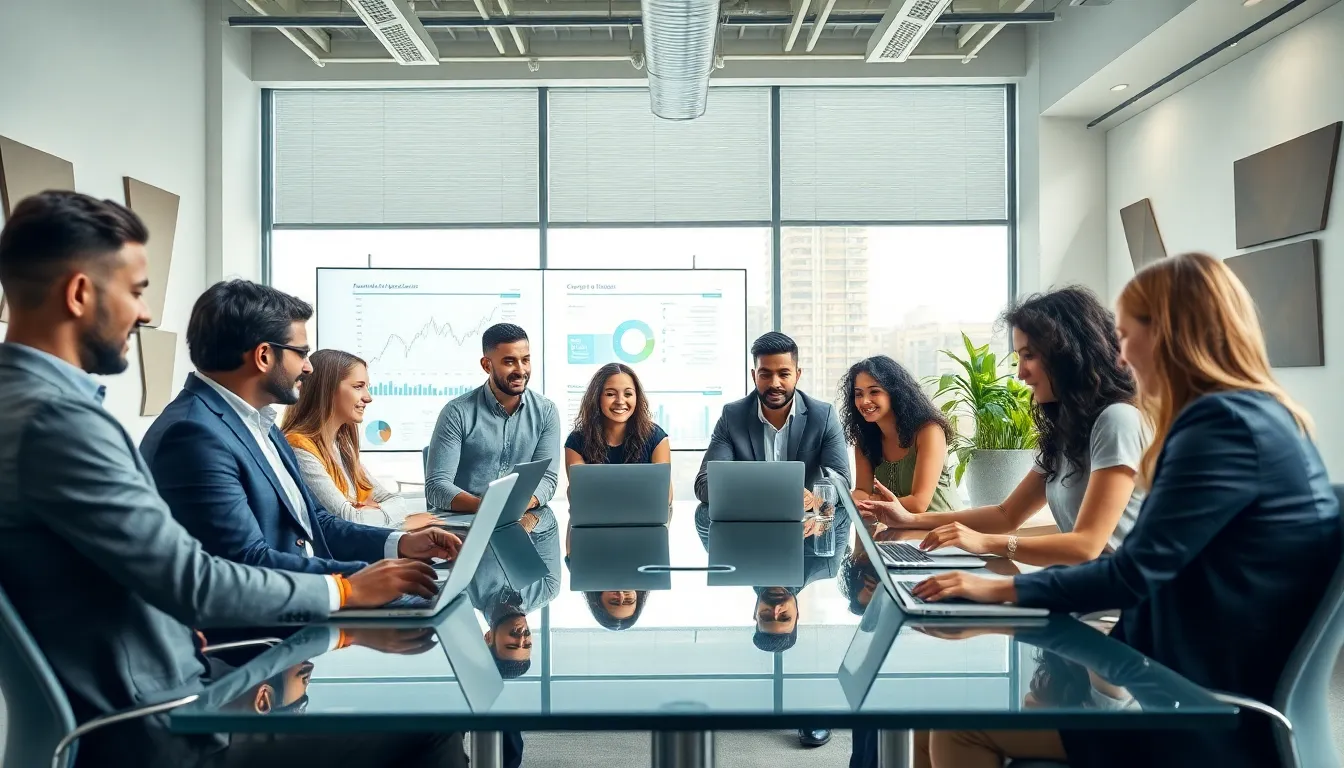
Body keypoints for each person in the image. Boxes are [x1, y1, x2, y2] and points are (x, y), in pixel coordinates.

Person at [0, 191, 461, 767]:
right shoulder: (59, 421)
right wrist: (346, 590)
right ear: (79, 293)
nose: (145, 314)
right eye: (137, 292)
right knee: (433, 728)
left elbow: (127, 570)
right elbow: (194, 578)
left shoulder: (27, 404)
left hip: (167, 676)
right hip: (160, 722)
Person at [912, 253, 1342, 768]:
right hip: (1186, 675)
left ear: (1167, 334)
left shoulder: (1220, 426)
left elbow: (1130, 571)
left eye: (1126, 336)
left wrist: (997, 587)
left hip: (1196, 706)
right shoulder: (1252, 415)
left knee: (958, 728)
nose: (1120, 356)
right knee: (933, 713)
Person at [141, 280, 461, 581]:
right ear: (264, 356)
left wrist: (400, 545)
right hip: (266, 629)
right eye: (302, 353)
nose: (308, 367)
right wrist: (352, 585)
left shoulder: (261, 426)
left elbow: (317, 522)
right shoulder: (193, 434)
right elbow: (245, 562)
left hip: (306, 596)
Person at [860, 287, 1148, 568]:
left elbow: (1086, 546)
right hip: (1083, 594)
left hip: (1118, 609)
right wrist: (909, 519)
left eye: (1029, 355)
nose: (1020, 372)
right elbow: (1006, 514)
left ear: (1068, 353)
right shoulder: (1065, 433)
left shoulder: (1116, 420)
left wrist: (986, 543)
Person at [425, 322, 560, 538]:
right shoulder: (456, 412)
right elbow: (437, 486)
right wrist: (489, 508)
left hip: (522, 524)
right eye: (509, 361)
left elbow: (548, 479)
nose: (521, 370)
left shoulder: (546, 411)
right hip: (462, 529)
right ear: (487, 365)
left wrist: (524, 504)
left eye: (525, 360)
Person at [695, 331, 851, 508]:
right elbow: (703, 484)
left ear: (797, 375)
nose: (774, 383)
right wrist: (763, 492)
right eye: (765, 374)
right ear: (754, 376)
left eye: (784, 374)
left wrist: (815, 497)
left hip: (805, 525)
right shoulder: (732, 416)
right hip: (749, 524)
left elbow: (842, 480)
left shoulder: (823, 416)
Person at [281, 348, 423, 528]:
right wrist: (381, 514)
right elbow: (349, 520)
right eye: (358, 386)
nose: (368, 397)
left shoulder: (341, 448)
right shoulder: (298, 448)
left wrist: (375, 512)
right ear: (327, 390)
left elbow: (395, 500)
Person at [841, 355, 959, 514]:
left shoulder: (929, 432)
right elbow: (861, 491)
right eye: (859, 394)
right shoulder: (865, 437)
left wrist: (873, 501)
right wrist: (868, 499)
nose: (864, 401)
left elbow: (918, 504)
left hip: (941, 530)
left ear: (895, 393)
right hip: (897, 531)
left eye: (874, 392)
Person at [564, 362, 671, 471]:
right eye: (610, 394)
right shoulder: (576, 441)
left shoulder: (656, 438)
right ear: (596, 398)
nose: (620, 401)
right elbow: (579, 486)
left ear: (637, 398)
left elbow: (664, 487)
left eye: (628, 394)